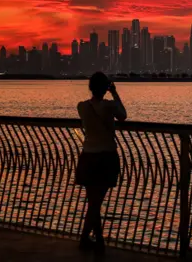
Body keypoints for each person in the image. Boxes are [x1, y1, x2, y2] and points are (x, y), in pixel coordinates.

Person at [75, 72, 127, 253]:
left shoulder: (82, 107)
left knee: (93, 201)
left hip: (88, 157)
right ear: (105, 88)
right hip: (105, 157)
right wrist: (114, 93)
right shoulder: (109, 106)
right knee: (96, 202)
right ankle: (85, 239)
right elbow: (123, 115)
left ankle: (98, 241)